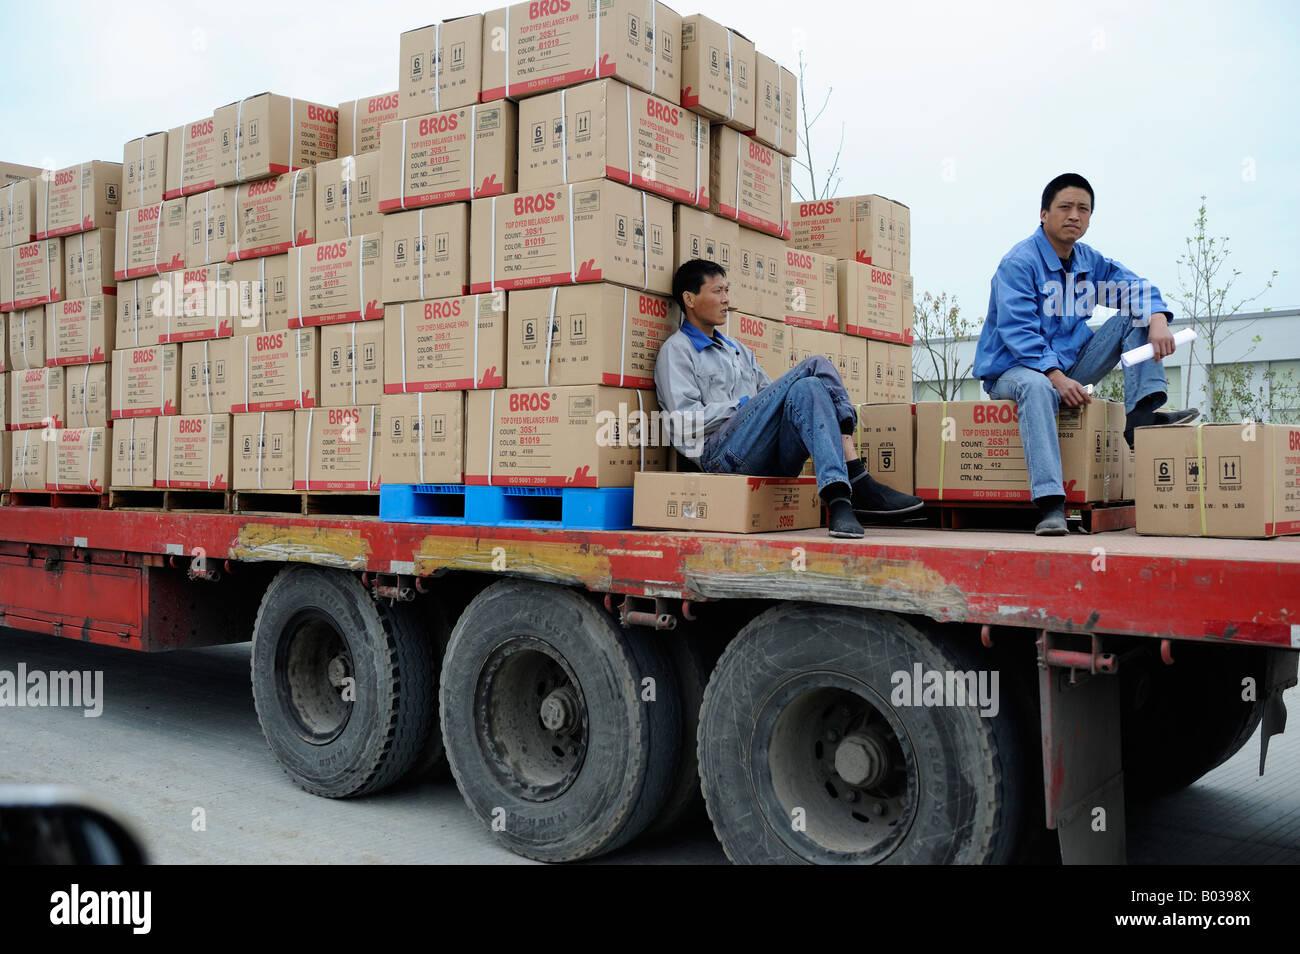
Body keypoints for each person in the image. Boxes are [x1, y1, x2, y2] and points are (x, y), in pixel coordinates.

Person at [974, 173, 1198, 536]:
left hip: (1070, 365)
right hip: (1013, 369)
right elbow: (1018, 332)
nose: (1074, 215)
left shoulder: (1088, 263)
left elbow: (1135, 287)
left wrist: (1157, 318)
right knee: (1037, 388)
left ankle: (1140, 415)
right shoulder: (1019, 263)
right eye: (1065, 207)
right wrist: (1056, 378)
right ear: (1044, 213)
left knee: (1135, 314)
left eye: (1083, 209)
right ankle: (1051, 504)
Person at [654, 258, 923, 539]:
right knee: (814, 365)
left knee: (807, 387)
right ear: (690, 299)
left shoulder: (738, 351)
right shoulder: (677, 351)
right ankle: (853, 480)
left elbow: (777, 403)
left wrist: (757, 407)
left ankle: (840, 497)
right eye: (717, 291)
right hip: (721, 460)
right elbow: (684, 423)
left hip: (767, 456)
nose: (727, 300)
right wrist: (743, 407)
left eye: (727, 291)